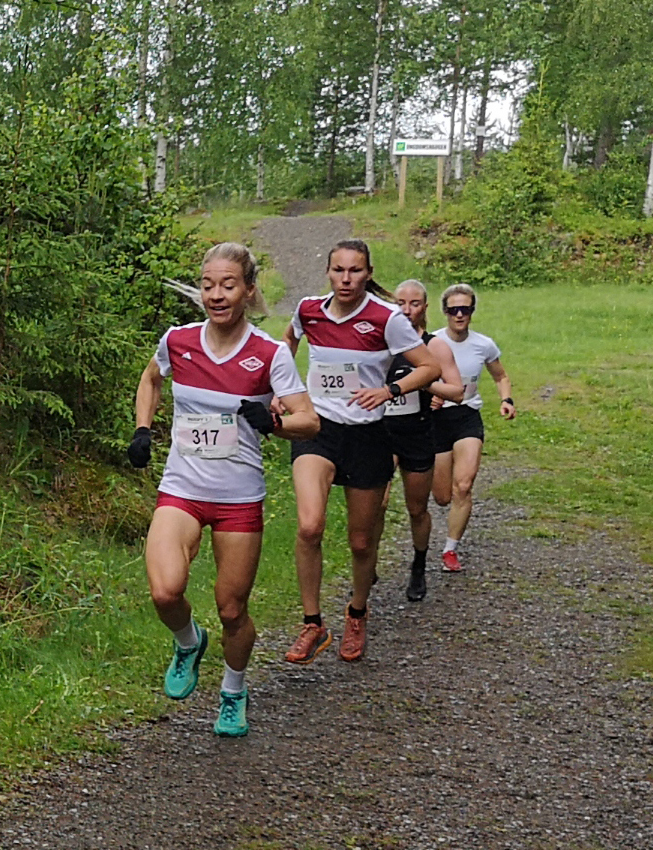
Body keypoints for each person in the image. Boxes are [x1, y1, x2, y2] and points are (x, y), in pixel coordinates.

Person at [128, 242, 319, 737]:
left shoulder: (269, 353)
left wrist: (273, 423)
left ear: (248, 291)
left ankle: (233, 690)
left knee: (233, 610)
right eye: (208, 285)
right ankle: (189, 641)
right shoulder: (177, 341)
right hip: (182, 488)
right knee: (165, 591)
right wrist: (143, 429)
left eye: (228, 285)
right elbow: (150, 380)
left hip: (238, 498)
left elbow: (309, 421)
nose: (216, 294)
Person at [281, 239, 440, 664]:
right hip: (318, 430)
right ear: (328, 272)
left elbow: (430, 367)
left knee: (361, 541)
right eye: (338, 270)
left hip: (368, 434)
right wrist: (283, 392)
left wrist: (389, 389)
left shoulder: (386, 319)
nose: (346, 279)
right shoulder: (309, 309)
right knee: (310, 526)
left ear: (368, 273)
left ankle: (357, 611)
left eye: (355, 271)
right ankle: (312, 624)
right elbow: (285, 346)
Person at [377, 280, 464, 602]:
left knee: (417, 508)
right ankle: (367, 561)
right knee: (376, 504)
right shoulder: (381, 342)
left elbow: (457, 391)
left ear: (425, 307)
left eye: (414, 304)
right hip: (381, 431)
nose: (406, 310)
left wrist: (425, 384)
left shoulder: (434, 346)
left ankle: (418, 564)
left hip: (417, 431)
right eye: (400, 302)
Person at [430, 283, 516, 573]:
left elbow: (500, 375)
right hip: (437, 420)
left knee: (463, 486)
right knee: (442, 496)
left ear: (472, 312)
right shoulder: (432, 342)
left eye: (465, 309)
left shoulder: (483, 344)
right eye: (453, 310)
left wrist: (507, 400)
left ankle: (450, 549)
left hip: (467, 417)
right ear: (444, 312)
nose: (459, 315)